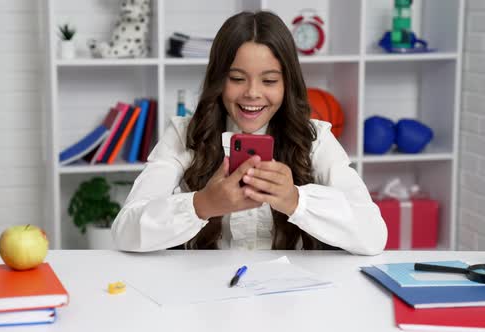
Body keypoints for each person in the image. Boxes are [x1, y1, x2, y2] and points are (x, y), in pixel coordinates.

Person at [111, 11, 387, 254]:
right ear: (219, 79)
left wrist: (296, 200)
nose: (253, 93)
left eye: (269, 80)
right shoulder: (185, 134)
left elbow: (374, 235)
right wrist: (202, 205)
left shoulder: (315, 138)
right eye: (237, 79)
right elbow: (124, 230)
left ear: (287, 84)